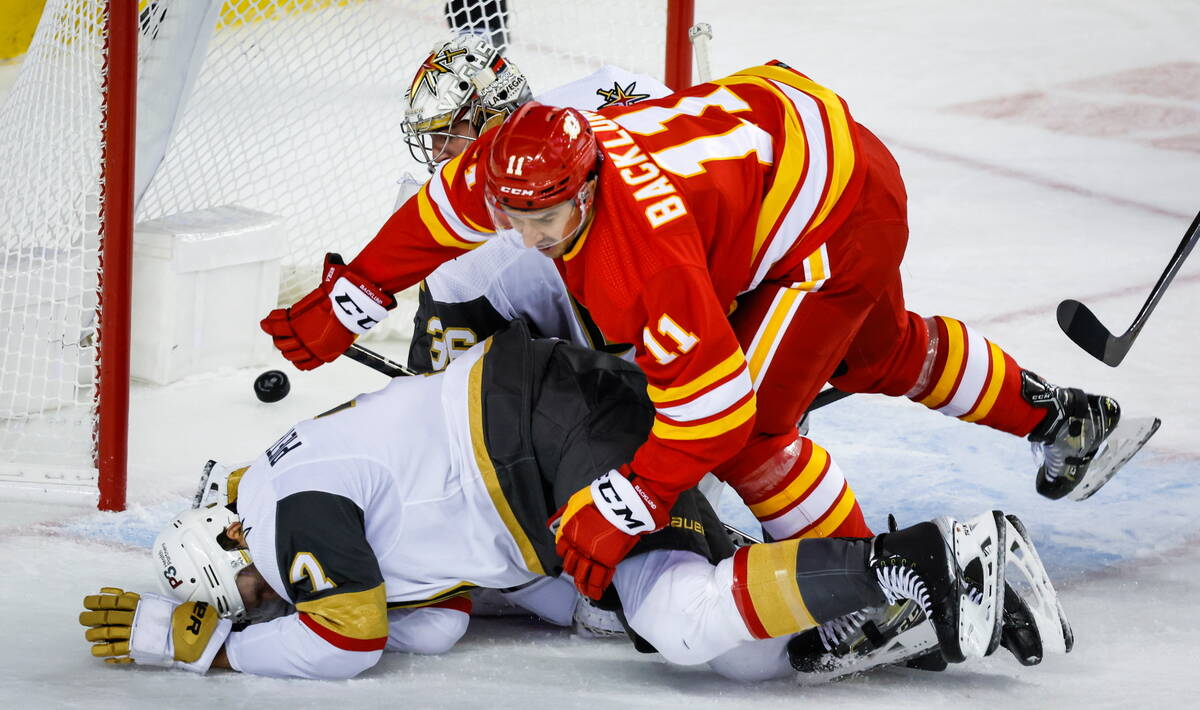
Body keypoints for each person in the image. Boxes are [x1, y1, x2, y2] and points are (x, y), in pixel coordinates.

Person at [259, 60, 1154, 603]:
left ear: (590, 186)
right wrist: (354, 295)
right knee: (878, 350)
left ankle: (867, 587)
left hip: (837, 217)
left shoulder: (642, 253)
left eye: (549, 221)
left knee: (760, 432)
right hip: (806, 135)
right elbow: (436, 216)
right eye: (511, 217)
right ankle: (1065, 418)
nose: (528, 238)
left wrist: (628, 501)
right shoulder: (523, 169)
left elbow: (717, 418)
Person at [79, 323, 1017, 680]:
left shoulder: (286, 506)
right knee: (736, 658)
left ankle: (929, 561)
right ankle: (905, 605)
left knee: (683, 626)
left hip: (548, 440)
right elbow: (434, 625)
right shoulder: (292, 484)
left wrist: (216, 648)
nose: (268, 598)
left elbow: (350, 636)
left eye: (245, 591)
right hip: (552, 444)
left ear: (234, 544)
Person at [397, 34, 668, 372]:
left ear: (492, 115)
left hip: (613, 400)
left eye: (448, 131)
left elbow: (451, 389)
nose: (438, 152)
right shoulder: (623, 86)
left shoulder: (474, 250)